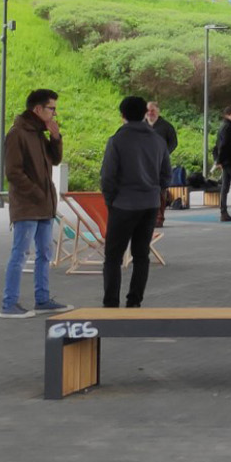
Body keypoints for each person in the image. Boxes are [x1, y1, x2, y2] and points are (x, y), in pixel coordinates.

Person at [0, 88, 73, 318]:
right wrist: (36, 193)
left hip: (44, 204)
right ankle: (9, 303)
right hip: (27, 205)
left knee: (45, 254)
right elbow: (12, 172)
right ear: (38, 109)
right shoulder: (18, 133)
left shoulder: (39, 132)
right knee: (20, 253)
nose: (54, 113)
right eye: (51, 108)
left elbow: (55, 159)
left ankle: (42, 299)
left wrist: (56, 138)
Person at [99, 95, 171, 308]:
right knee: (141, 256)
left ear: (122, 115)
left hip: (123, 204)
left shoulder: (117, 140)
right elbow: (167, 174)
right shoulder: (158, 140)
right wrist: (156, 192)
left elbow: (108, 176)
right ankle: (134, 301)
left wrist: (111, 200)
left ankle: (111, 303)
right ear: (144, 114)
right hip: (150, 204)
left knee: (113, 256)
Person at [146, 101, 177, 227]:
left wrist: (164, 154)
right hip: (145, 164)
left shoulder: (166, 126)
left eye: (152, 110)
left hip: (161, 165)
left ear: (158, 111)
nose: (150, 113)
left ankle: (159, 217)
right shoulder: (142, 125)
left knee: (161, 190)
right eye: (148, 110)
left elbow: (173, 143)